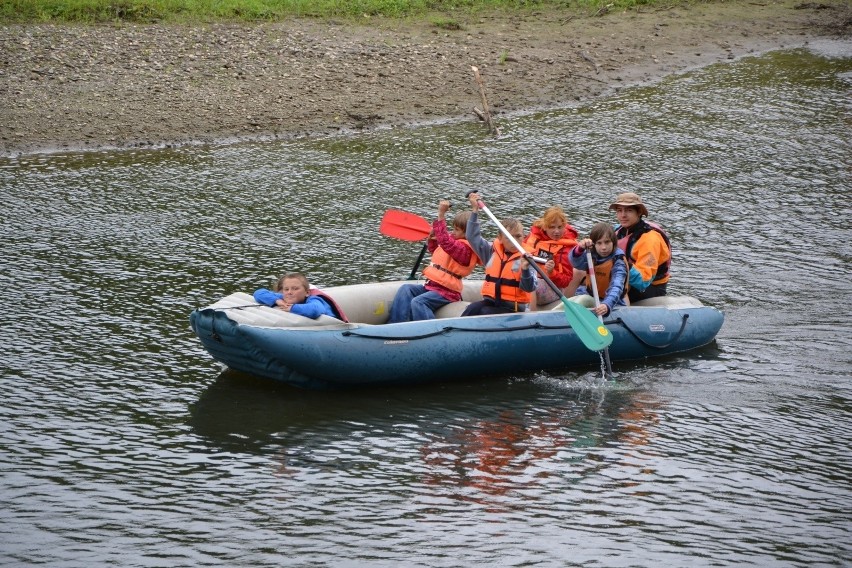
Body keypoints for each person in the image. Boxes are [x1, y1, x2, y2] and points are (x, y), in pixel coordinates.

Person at [387, 200, 478, 323]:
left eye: (457, 230)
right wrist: (433, 239)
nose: (453, 232)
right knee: (406, 289)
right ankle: (396, 326)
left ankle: (430, 332)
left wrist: (441, 215)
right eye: (454, 228)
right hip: (432, 286)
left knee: (418, 302)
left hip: (447, 292)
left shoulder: (465, 250)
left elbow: (446, 243)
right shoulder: (454, 242)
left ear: (467, 233)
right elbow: (435, 250)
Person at [461, 192, 537, 316]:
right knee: (472, 308)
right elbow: (472, 237)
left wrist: (525, 270)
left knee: (485, 312)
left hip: (513, 308)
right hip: (492, 301)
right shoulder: (491, 251)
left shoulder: (527, 259)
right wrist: (474, 210)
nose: (514, 241)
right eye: (509, 237)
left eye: (518, 236)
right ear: (500, 238)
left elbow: (529, 288)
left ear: (524, 237)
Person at [610, 192, 672, 303]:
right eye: (619, 210)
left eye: (629, 211)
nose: (623, 215)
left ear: (639, 212)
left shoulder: (650, 239)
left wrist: (622, 264)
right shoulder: (618, 230)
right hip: (623, 278)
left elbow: (643, 281)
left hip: (649, 289)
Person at [569, 222, 629, 317]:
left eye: (607, 242)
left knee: (583, 300)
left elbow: (616, 287)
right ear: (594, 244)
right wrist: (579, 249)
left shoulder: (618, 261)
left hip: (611, 303)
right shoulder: (591, 254)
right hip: (590, 295)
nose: (603, 247)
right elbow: (576, 263)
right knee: (572, 302)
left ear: (613, 242)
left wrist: (607, 304)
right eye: (599, 243)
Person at [522, 205, 578, 306]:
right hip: (532, 279)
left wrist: (552, 272)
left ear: (564, 226)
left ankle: (531, 317)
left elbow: (565, 281)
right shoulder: (534, 237)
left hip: (555, 288)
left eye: (560, 227)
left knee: (531, 284)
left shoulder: (567, 248)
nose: (556, 231)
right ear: (545, 226)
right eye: (552, 227)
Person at [253, 272, 346, 320]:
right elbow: (259, 293)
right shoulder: (284, 297)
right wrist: (276, 301)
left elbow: (314, 310)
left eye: (295, 289)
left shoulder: (315, 300)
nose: (289, 292)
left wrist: (292, 308)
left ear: (307, 292)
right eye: (286, 289)